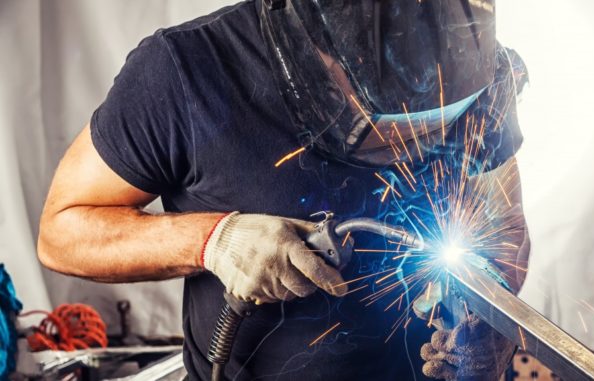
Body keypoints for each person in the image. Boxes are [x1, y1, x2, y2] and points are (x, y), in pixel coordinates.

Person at [37, 0, 530, 379]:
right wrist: (213, 241)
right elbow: (62, 231)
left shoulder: (475, 75)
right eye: (387, 123)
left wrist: (491, 322)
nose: (409, 145)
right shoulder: (187, 69)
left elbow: (504, 227)